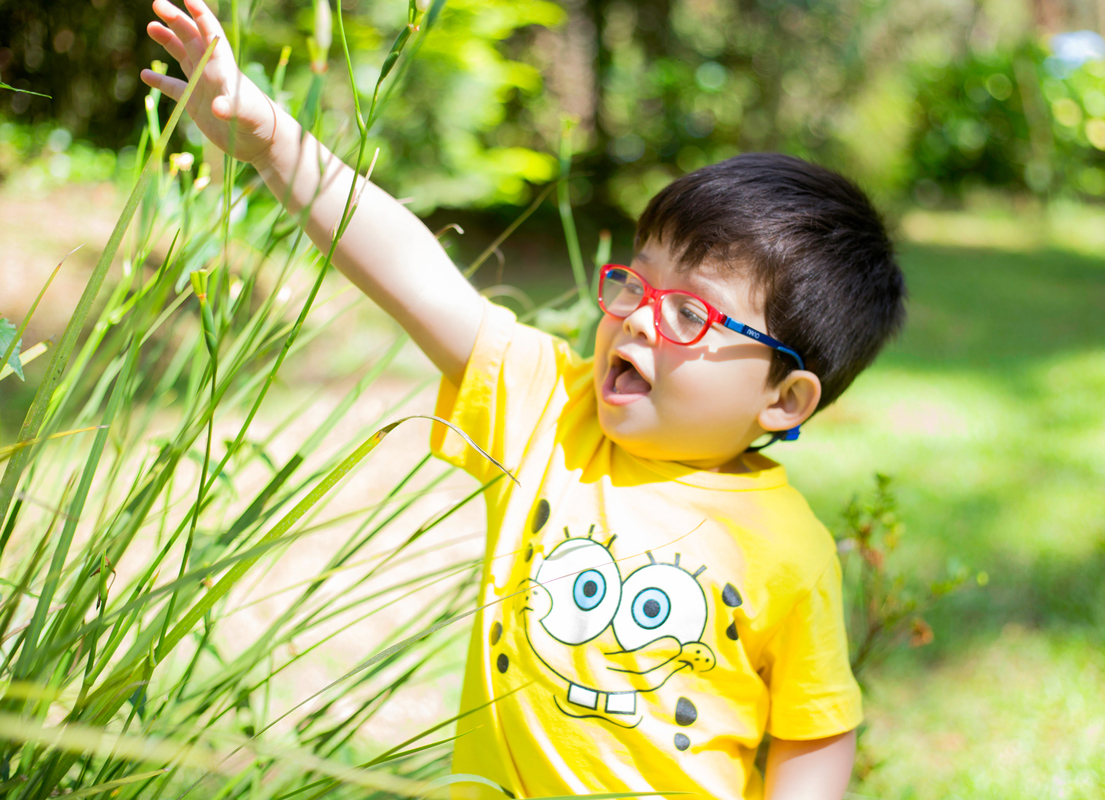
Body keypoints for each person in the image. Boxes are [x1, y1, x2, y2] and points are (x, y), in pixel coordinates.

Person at [142, 1, 905, 797]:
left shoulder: (790, 550)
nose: (638, 315)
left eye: (689, 312)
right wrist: (274, 144)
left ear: (784, 399)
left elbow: (813, 733)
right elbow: (414, 270)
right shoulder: (551, 409)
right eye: (638, 281)